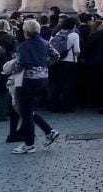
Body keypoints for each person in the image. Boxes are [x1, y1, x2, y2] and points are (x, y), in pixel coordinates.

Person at [11, 18, 62, 154]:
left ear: (26, 32)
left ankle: (29, 144)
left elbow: (19, 65)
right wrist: (45, 64)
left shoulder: (23, 46)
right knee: (30, 110)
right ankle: (49, 131)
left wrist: (10, 70)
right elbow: (56, 56)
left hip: (28, 80)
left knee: (26, 113)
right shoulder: (45, 43)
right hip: (43, 79)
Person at [48, 16, 81, 113]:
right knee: (68, 84)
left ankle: (54, 104)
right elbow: (77, 50)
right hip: (70, 61)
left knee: (57, 84)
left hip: (58, 61)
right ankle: (66, 105)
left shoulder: (58, 33)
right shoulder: (74, 35)